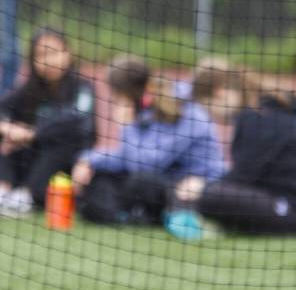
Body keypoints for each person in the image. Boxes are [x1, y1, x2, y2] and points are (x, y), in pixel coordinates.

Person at [170, 58, 296, 237]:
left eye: (208, 107)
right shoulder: (254, 114)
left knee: (212, 196)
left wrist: (203, 188)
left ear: (219, 93)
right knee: (207, 193)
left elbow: (242, 177)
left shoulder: (261, 117)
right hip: (275, 200)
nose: (211, 115)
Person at [72, 55, 225, 225]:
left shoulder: (184, 112)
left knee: (140, 181)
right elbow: (126, 156)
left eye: (117, 95)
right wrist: (88, 160)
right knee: (99, 177)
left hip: (196, 190)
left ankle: (131, 215)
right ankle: (122, 216)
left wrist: (126, 126)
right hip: (161, 180)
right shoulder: (145, 111)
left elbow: (146, 164)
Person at [0, 28, 95, 215]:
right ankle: (3, 189)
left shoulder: (82, 88)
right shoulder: (28, 89)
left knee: (63, 139)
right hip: (28, 161)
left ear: (68, 53)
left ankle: (27, 197)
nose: (48, 61)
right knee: (7, 137)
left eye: (53, 53)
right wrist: (8, 128)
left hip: (65, 168)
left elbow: (77, 119)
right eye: (41, 55)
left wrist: (32, 134)